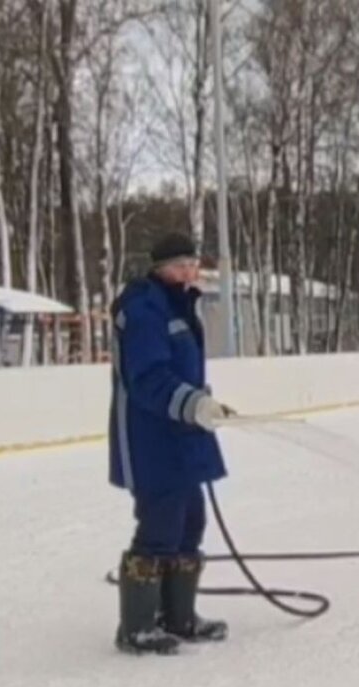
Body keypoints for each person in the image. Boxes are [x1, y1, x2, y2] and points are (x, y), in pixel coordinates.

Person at [108, 233, 237, 655]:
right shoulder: (144, 308)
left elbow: (183, 371)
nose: (189, 272)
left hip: (182, 435)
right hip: (151, 438)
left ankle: (178, 616)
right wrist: (191, 403)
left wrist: (204, 402)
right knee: (160, 524)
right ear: (160, 268)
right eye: (180, 265)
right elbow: (147, 378)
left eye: (192, 264)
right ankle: (137, 625)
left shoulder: (179, 304)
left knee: (191, 521)